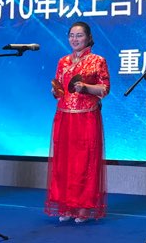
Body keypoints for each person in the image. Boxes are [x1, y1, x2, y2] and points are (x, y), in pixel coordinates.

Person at [45, 21, 110, 223]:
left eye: (79, 35)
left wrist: (87, 88)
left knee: (84, 161)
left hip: (86, 116)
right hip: (65, 116)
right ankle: (66, 206)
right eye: (71, 35)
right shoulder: (63, 61)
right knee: (64, 162)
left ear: (89, 38)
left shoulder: (97, 60)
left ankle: (83, 207)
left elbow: (105, 89)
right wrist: (55, 91)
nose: (75, 39)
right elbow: (59, 90)